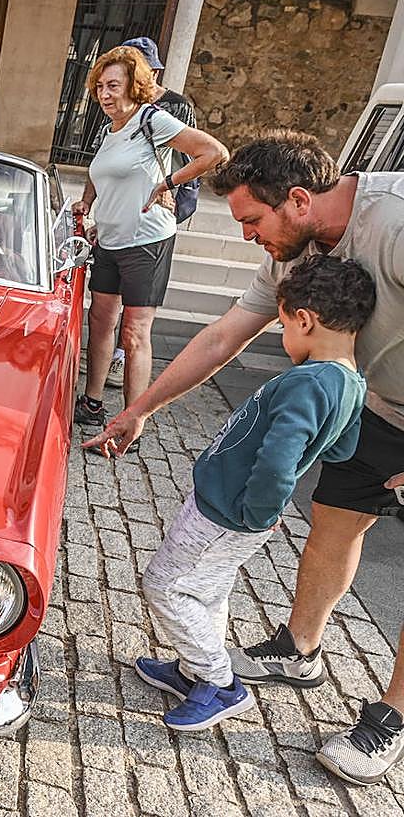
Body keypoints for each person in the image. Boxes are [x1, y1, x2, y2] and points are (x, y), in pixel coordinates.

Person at [84, 130, 404, 785]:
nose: (249, 236)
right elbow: (226, 334)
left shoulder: (396, 222)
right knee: (333, 523)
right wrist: (141, 406)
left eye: (251, 221)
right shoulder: (296, 249)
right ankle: (300, 647)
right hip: (365, 403)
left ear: (296, 199)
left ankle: (392, 716)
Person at [137, 254, 373, 731]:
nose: (283, 337)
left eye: (283, 326)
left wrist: (259, 510)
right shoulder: (352, 383)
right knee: (207, 592)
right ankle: (193, 671)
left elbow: (279, 459)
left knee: (164, 586)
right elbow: (342, 448)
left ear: (304, 320)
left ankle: (220, 683)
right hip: (242, 516)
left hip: (225, 513)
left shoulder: (309, 381)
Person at [71, 45, 228, 434]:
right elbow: (99, 171)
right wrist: (88, 202)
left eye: (114, 85)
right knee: (101, 319)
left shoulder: (151, 120)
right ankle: (91, 402)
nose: (106, 94)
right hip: (108, 239)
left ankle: (130, 419)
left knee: (135, 332)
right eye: (101, 87)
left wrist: (169, 183)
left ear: (134, 85)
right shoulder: (110, 130)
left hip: (147, 241)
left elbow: (214, 152)